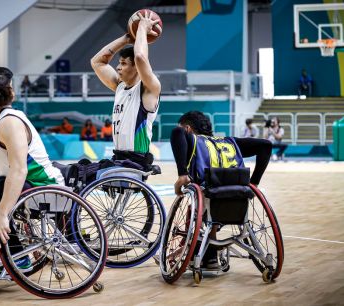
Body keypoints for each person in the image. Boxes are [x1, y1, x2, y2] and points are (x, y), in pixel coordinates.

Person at [171, 111, 272, 268]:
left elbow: (177, 132)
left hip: (211, 197)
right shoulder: (230, 141)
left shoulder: (195, 140)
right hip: (238, 197)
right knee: (209, 205)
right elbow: (266, 145)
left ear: (188, 129)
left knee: (199, 206)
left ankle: (202, 253)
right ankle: (210, 256)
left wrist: (182, 174)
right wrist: (254, 183)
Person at [0, 67, 64, 251]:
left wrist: (2, 213)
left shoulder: (10, 122)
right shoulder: (5, 119)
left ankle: (18, 257)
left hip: (44, 185)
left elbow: (19, 170)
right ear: (13, 95)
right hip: (32, 185)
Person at [91, 10, 161, 167]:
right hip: (118, 157)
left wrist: (142, 27)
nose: (117, 67)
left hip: (137, 160)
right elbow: (97, 62)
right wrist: (126, 38)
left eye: (123, 63)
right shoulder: (120, 87)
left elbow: (140, 57)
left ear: (136, 68)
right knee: (78, 172)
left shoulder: (149, 88)